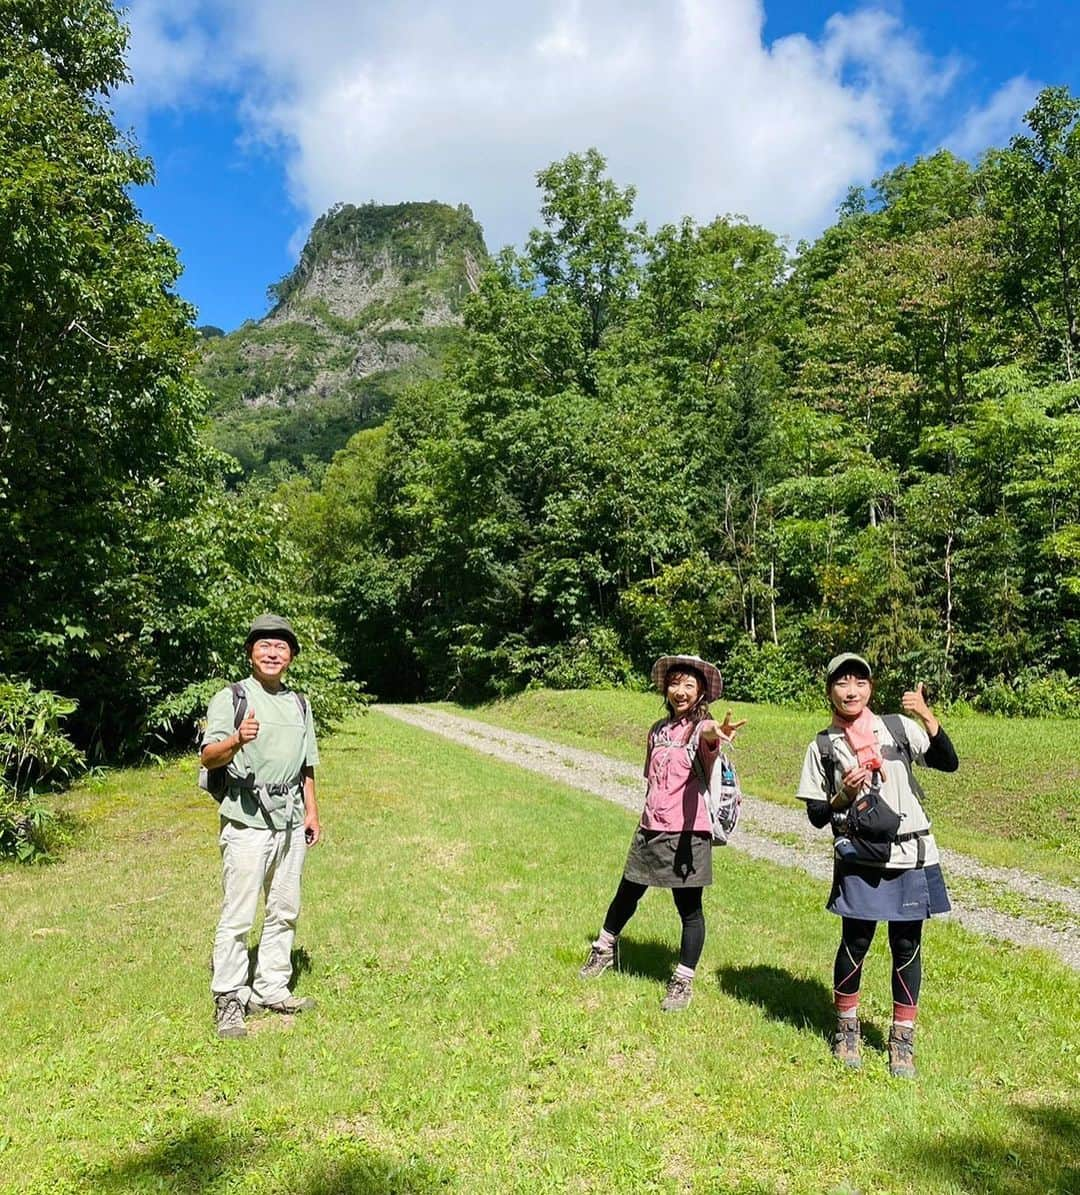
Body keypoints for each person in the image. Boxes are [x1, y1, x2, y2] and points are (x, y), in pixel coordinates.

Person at [796, 653, 958, 1078]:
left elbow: (948, 761)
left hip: (912, 855)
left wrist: (926, 715)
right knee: (856, 942)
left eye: (859, 682)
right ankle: (846, 1028)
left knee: (907, 946)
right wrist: (843, 797)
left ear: (870, 688)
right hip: (861, 858)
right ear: (829, 690)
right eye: (842, 683)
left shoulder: (897, 728)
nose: (851, 690)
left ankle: (902, 1037)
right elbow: (816, 815)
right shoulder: (823, 745)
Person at [579, 654, 746, 1011]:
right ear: (666, 689)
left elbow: (708, 737)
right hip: (650, 827)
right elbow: (652, 780)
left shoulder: (701, 728)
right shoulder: (657, 730)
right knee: (626, 894)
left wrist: (717, 732)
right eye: (675, 683)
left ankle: (683, 981)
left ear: (701, 691)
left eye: (689, 684)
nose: (680, 691)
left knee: (689, 909)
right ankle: (604, 950)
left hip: (688, 835)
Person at [201, 614, 321, 1040]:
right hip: (247, 822)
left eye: (281, 647)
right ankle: (230, 998)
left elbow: (307, 765)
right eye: (264, 645)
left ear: (291, 656)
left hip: (290, 823)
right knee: (238, 914)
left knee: (284, 909)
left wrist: (312, 812)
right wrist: (237, 739)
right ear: (251, 653)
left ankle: (271, 986)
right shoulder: (231, 698)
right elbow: (208, 757)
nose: (273, 653)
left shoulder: (299, 703)